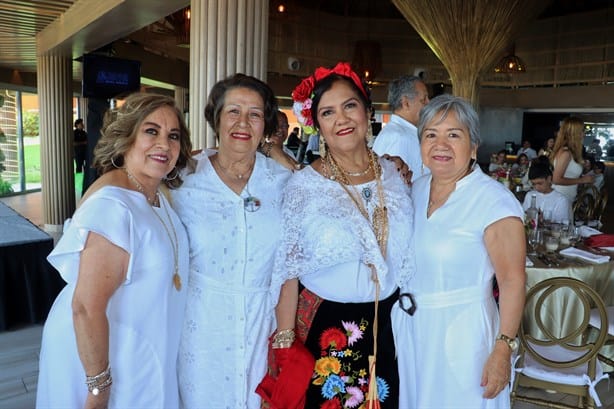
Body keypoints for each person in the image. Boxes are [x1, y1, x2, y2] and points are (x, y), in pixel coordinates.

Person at [36, 93, 194, 408]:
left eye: (173, 136)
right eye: (151, 131)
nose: (164, 143)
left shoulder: (152, 191)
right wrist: (98, 388)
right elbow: (86, 306)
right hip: (103, 356)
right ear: (126, 138)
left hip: (139, 343)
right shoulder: (114, 204)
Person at [270, 62, 413, 408]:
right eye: (328, 112)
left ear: (367, 111)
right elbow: (287, 269)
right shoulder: (304, 187)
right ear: (317, 124)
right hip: (332, 329)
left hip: (392, 325)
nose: (342, 119)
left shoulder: (394, 173)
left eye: (349, 106)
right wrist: (285, 344)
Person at [392, 94, 526, 408]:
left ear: (474, 146)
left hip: (463, 334)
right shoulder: (416, 188)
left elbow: (512, 282)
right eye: (431, 135)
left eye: (454, 135)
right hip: (413, 330)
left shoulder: (494, 202)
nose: (441, 145)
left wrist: (503, 349)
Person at [171, 74, 294, 409]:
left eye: (254, 114)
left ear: (266, 124)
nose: (243, 122)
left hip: (261, 325)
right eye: (233, 112)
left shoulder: (285, 183)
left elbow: (289, 266)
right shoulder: (182, 180)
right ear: (216, 119)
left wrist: (284, 344)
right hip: (199, 329)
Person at [373, 75, 430, 181]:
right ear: (406, 103)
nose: (428, 103)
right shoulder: (398, 137)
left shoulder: (404, 133)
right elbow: (396, 186)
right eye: (423, 100)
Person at [552, 117, 594, 203]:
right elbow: (556, 179)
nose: (584, 133)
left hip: (566, 197)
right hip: (561, 198)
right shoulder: (566, 153)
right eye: (582, 130)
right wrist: (582, 180)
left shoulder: (570, 152)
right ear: (574, 133)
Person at [523, 158, 573, 223]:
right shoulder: (530, 195)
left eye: (540, 183)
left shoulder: (560, 200)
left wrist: (543, 221)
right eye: (533, 184)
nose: (536, 187)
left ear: (549, 179)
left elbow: (562, 225)